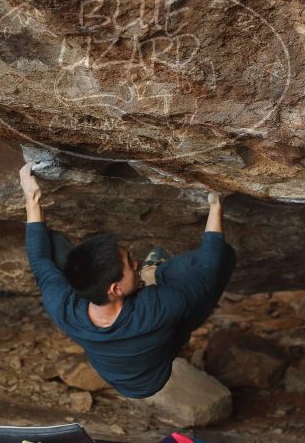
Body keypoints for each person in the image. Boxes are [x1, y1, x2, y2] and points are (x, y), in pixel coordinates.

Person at [19, 161, 236, 399]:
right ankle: (155, 273)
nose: (135, 263)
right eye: (131, 264)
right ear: (115, 289)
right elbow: (207, 271)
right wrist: (216, 206)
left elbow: (39, 260)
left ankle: (148, 275)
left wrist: (32, 197)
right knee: (217, 262)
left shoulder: (63, 307)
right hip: (157, 371)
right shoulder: (156, 307)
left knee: (51, 246)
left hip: (116, 373)